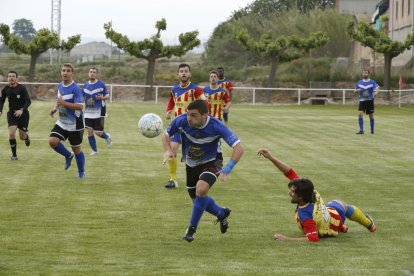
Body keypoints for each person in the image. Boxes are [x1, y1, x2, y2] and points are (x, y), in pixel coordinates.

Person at [162, 100, 244, 242]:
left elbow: (239, 148)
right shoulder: (181, 121)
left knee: (201, 190)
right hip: (191, 164)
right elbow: (166, 135)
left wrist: (228, 168)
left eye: (193, 115)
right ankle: (221, 213)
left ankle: (191, 230)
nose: (189, 118)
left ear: (205, 115)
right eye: (188, 114)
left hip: (212, 162)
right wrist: (168, 150)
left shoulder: (216, 125)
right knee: (198, 201)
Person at [257, 148, 376, 242]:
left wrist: (287, 239)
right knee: (339, 204)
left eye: (293, 192)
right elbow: (289, 172)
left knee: (338, 207)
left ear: (300, 196)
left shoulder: (305, 214)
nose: (289, 193)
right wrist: (271, 158)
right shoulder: (312, 192)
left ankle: (361, 225)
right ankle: (365, 224)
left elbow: (313, 239)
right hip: (326, 217)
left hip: (332, 222)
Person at [164, 63, 207, 189]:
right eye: (181, 71)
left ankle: (202, 176)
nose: (183, 73)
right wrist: (168, 110)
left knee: (196, 154)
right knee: (171, 150)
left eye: (186, 71)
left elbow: (205, 103)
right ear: (178, 74)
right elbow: (172, 101)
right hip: (178, 126)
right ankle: (173, 179)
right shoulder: (174, 89)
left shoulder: (196, 89)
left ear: (190, 74)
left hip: (192, 127)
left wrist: (201, 117)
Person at [49, 63, 86, 179]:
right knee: (52, 141)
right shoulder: (60, 85)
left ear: (71, 73)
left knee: (77, 149)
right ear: (61, 72)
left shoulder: (76, 89)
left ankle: (81, 173)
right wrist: (56, 108)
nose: (65, 72)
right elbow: (60, 100)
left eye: (68, 71)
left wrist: (65, 104)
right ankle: (67, 155)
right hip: (62, 122)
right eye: (63, 70)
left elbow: (80, 106)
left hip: (75, 124)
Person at [0, 71, 31, 160]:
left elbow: (28, 101)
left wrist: (21, 110)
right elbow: (1, 101)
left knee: (22, 137)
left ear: (16, 78)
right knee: (11, 133)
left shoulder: (21, 88)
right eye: (9, 76)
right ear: (7, 78)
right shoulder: (5, 89)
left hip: (23, 114)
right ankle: (14, 155)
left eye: (13, 76)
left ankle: (26, 137)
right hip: (12, 114)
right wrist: (0, 110)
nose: (11, 78)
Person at [83, 67, 112, 155]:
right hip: (88, 112)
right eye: (91, 72)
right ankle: (94, 150)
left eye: (94, 72)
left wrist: (102, 98)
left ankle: (107, 137)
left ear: (96, 74)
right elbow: (82, 96)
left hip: (99, 111)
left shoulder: (101, 84)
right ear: (88, 73)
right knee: (90, 131)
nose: (92, 73)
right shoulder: (85, 85)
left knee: (98, 132)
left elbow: (107, 95)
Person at [354, 69, 379, 134]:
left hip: (369, 101)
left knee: (371, 116)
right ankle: (361, 130)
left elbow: (377, 88)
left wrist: (376, 92)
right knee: (360, 114)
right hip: (362, 101)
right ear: (362, 74)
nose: (365, 74)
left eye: (366, 73)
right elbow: (355, 90)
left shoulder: (372, 82)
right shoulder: (359, 82)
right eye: (364, 73)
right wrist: (357, 90)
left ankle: (372, 130)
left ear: (368, 74)